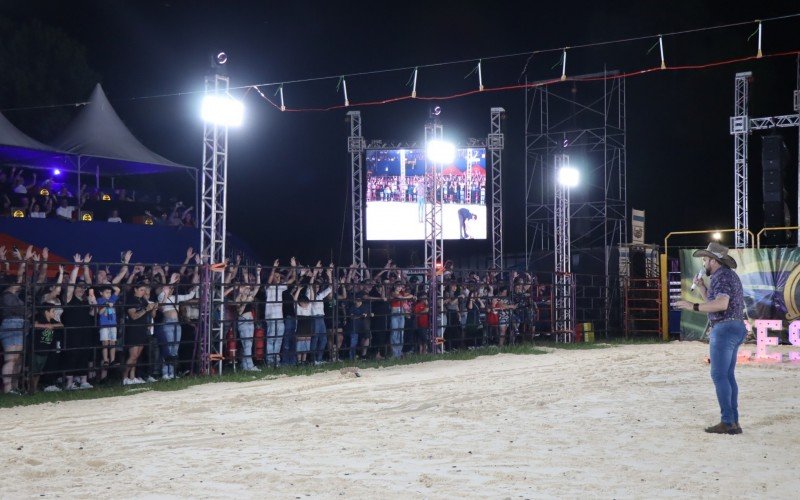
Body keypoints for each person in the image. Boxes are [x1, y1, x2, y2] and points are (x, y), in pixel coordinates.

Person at [673, 242, 746, 435]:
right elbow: (714, 303)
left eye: (705, 259)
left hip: (724, 329)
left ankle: (728, 422)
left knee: (719, 376)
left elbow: (721, 304)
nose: (703, 262)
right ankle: (734, 422)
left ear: (713, 261)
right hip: (736, 326)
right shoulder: (728, 276)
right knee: (728, 376)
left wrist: (692, 306)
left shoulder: (721, 277)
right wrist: (702, 288)